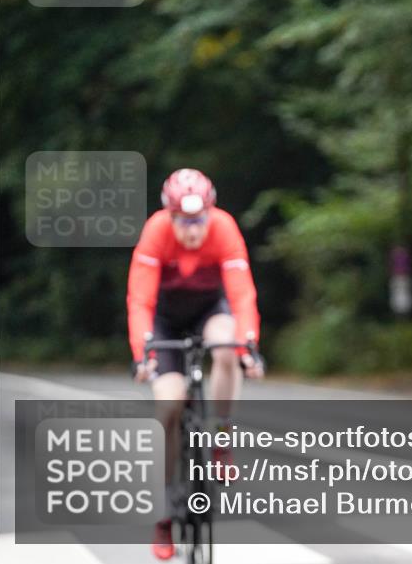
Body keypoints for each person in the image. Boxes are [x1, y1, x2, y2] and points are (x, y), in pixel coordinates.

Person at [127, 168, 264, 560]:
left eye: (199, 219)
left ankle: (221, 435)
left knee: (226, 347)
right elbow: (140, 301)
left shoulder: (224, 229)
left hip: (209, 309)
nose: (192, 230)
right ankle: (163, 513)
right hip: (164, 319)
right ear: (170, 216)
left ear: (211, 211)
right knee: (168, 405)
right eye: (184, 221)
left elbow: (241, 296)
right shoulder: (156, 232)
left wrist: (248, 347)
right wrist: (143, 355)